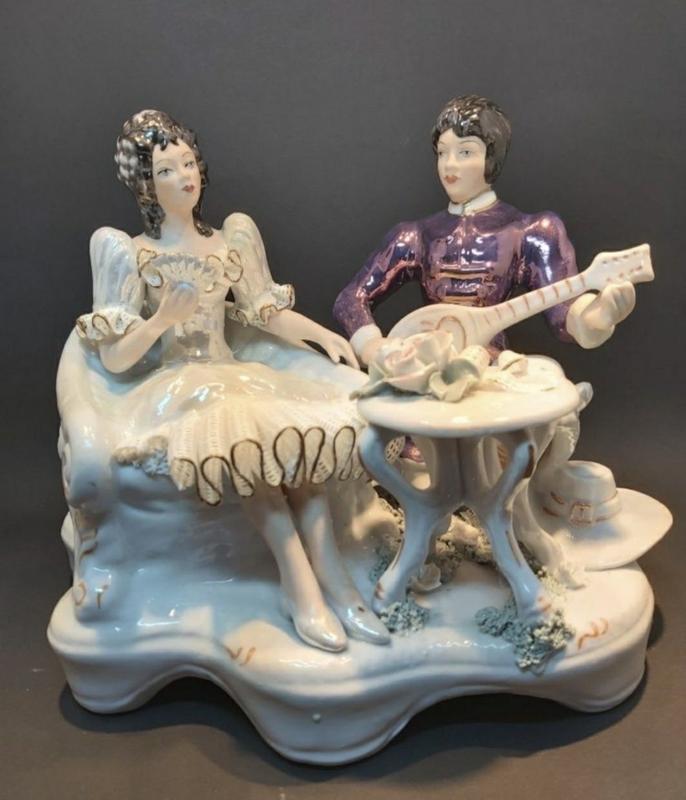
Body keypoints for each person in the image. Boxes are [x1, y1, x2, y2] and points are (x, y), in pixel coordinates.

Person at [76, 109, 390, 652]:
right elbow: (117, 359)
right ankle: (300, 584)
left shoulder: (229, 240)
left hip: (233, 374)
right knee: (246, 436)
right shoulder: (131, 252)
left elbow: (264, 313)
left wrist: (322, 334)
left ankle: (335, 580)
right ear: (146, 185)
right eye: (167, 170)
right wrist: (161, 320)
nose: (184, 176)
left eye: (188, 163)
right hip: (180, 385)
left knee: (293, 445)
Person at [333, 95, 636, 365]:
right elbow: (351, 299)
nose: (449, 165)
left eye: (465, 152)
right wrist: (373, 346)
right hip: (427, 363)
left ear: (492, 158)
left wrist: (599, 316)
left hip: (490, 366)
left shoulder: (530, 231)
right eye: (442, 152)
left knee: (546, 374)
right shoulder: (415, 235)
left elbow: (563, 313)